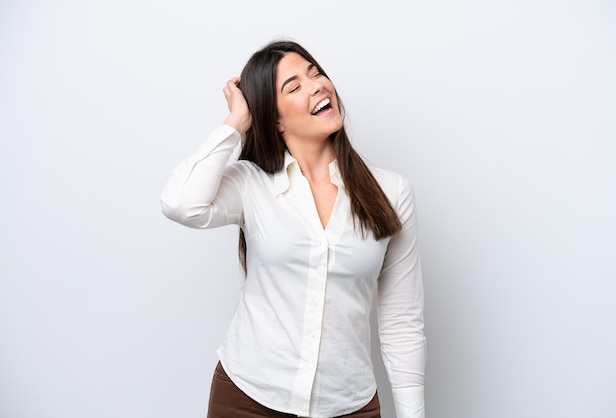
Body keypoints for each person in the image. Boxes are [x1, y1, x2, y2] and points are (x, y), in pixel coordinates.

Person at [160, 40, 426, 418]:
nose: (317, 85)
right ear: (275, 120)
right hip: (247, 399)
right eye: (294, 86)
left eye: (315, 72)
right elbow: (180, 203)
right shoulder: (251, 184)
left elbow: (402, 320)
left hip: (348, 405)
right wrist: (236, 122)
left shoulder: (392, 192)